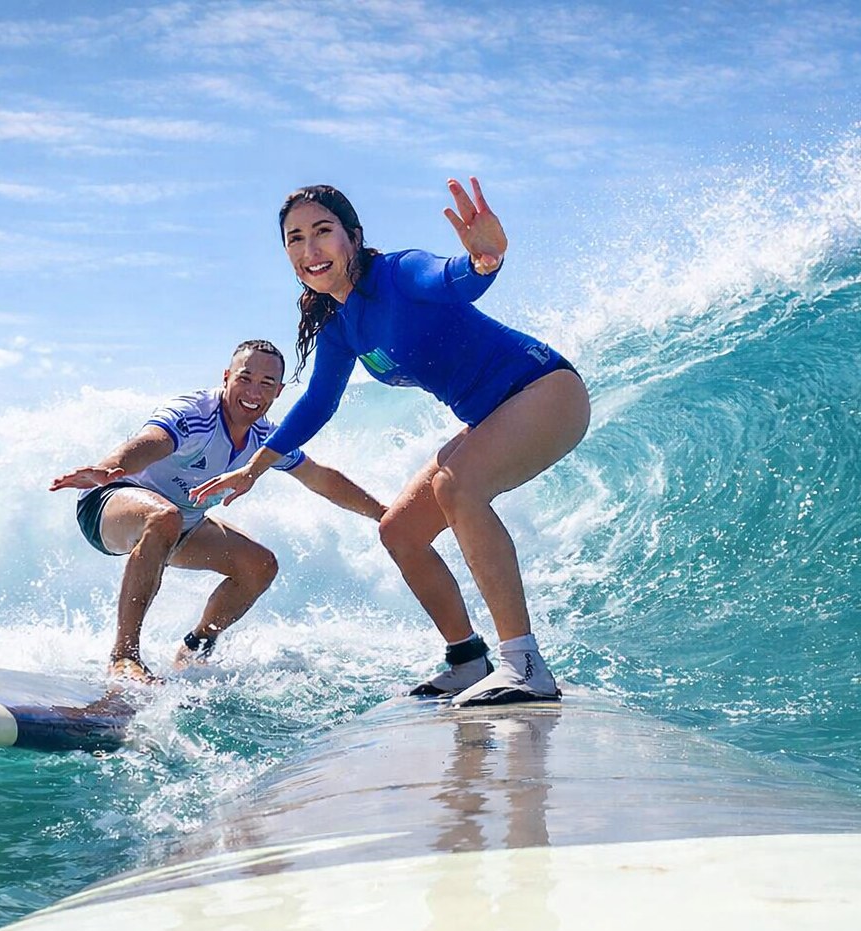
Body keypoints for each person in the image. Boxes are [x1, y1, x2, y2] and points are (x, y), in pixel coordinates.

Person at [191, 180, 590, 707]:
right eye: (294, 239)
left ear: (353, 237)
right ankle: (467, 659)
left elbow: (454, 280)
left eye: (323, 232)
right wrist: (254, 468)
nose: (310, 250)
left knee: (459, 488)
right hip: (489, 416)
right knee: (399, 530)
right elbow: (317, 404)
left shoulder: (399, 273)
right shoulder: (339, 325)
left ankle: (525, 664)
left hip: (544, 390)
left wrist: (484, 258)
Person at [51, 339, 385, 682]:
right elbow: (152, 442)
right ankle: (124, 656)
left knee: (260, 565)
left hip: (182, 525)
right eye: (245, 378)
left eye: (266, 384)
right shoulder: (195, 413)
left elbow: (320, 478)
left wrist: (382, 513)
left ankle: (195, 647)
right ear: (226, 377)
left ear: (279, 392)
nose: (254, 391)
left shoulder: (266, 439)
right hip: (110, 502)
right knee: (164, 517)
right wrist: (112, 467)